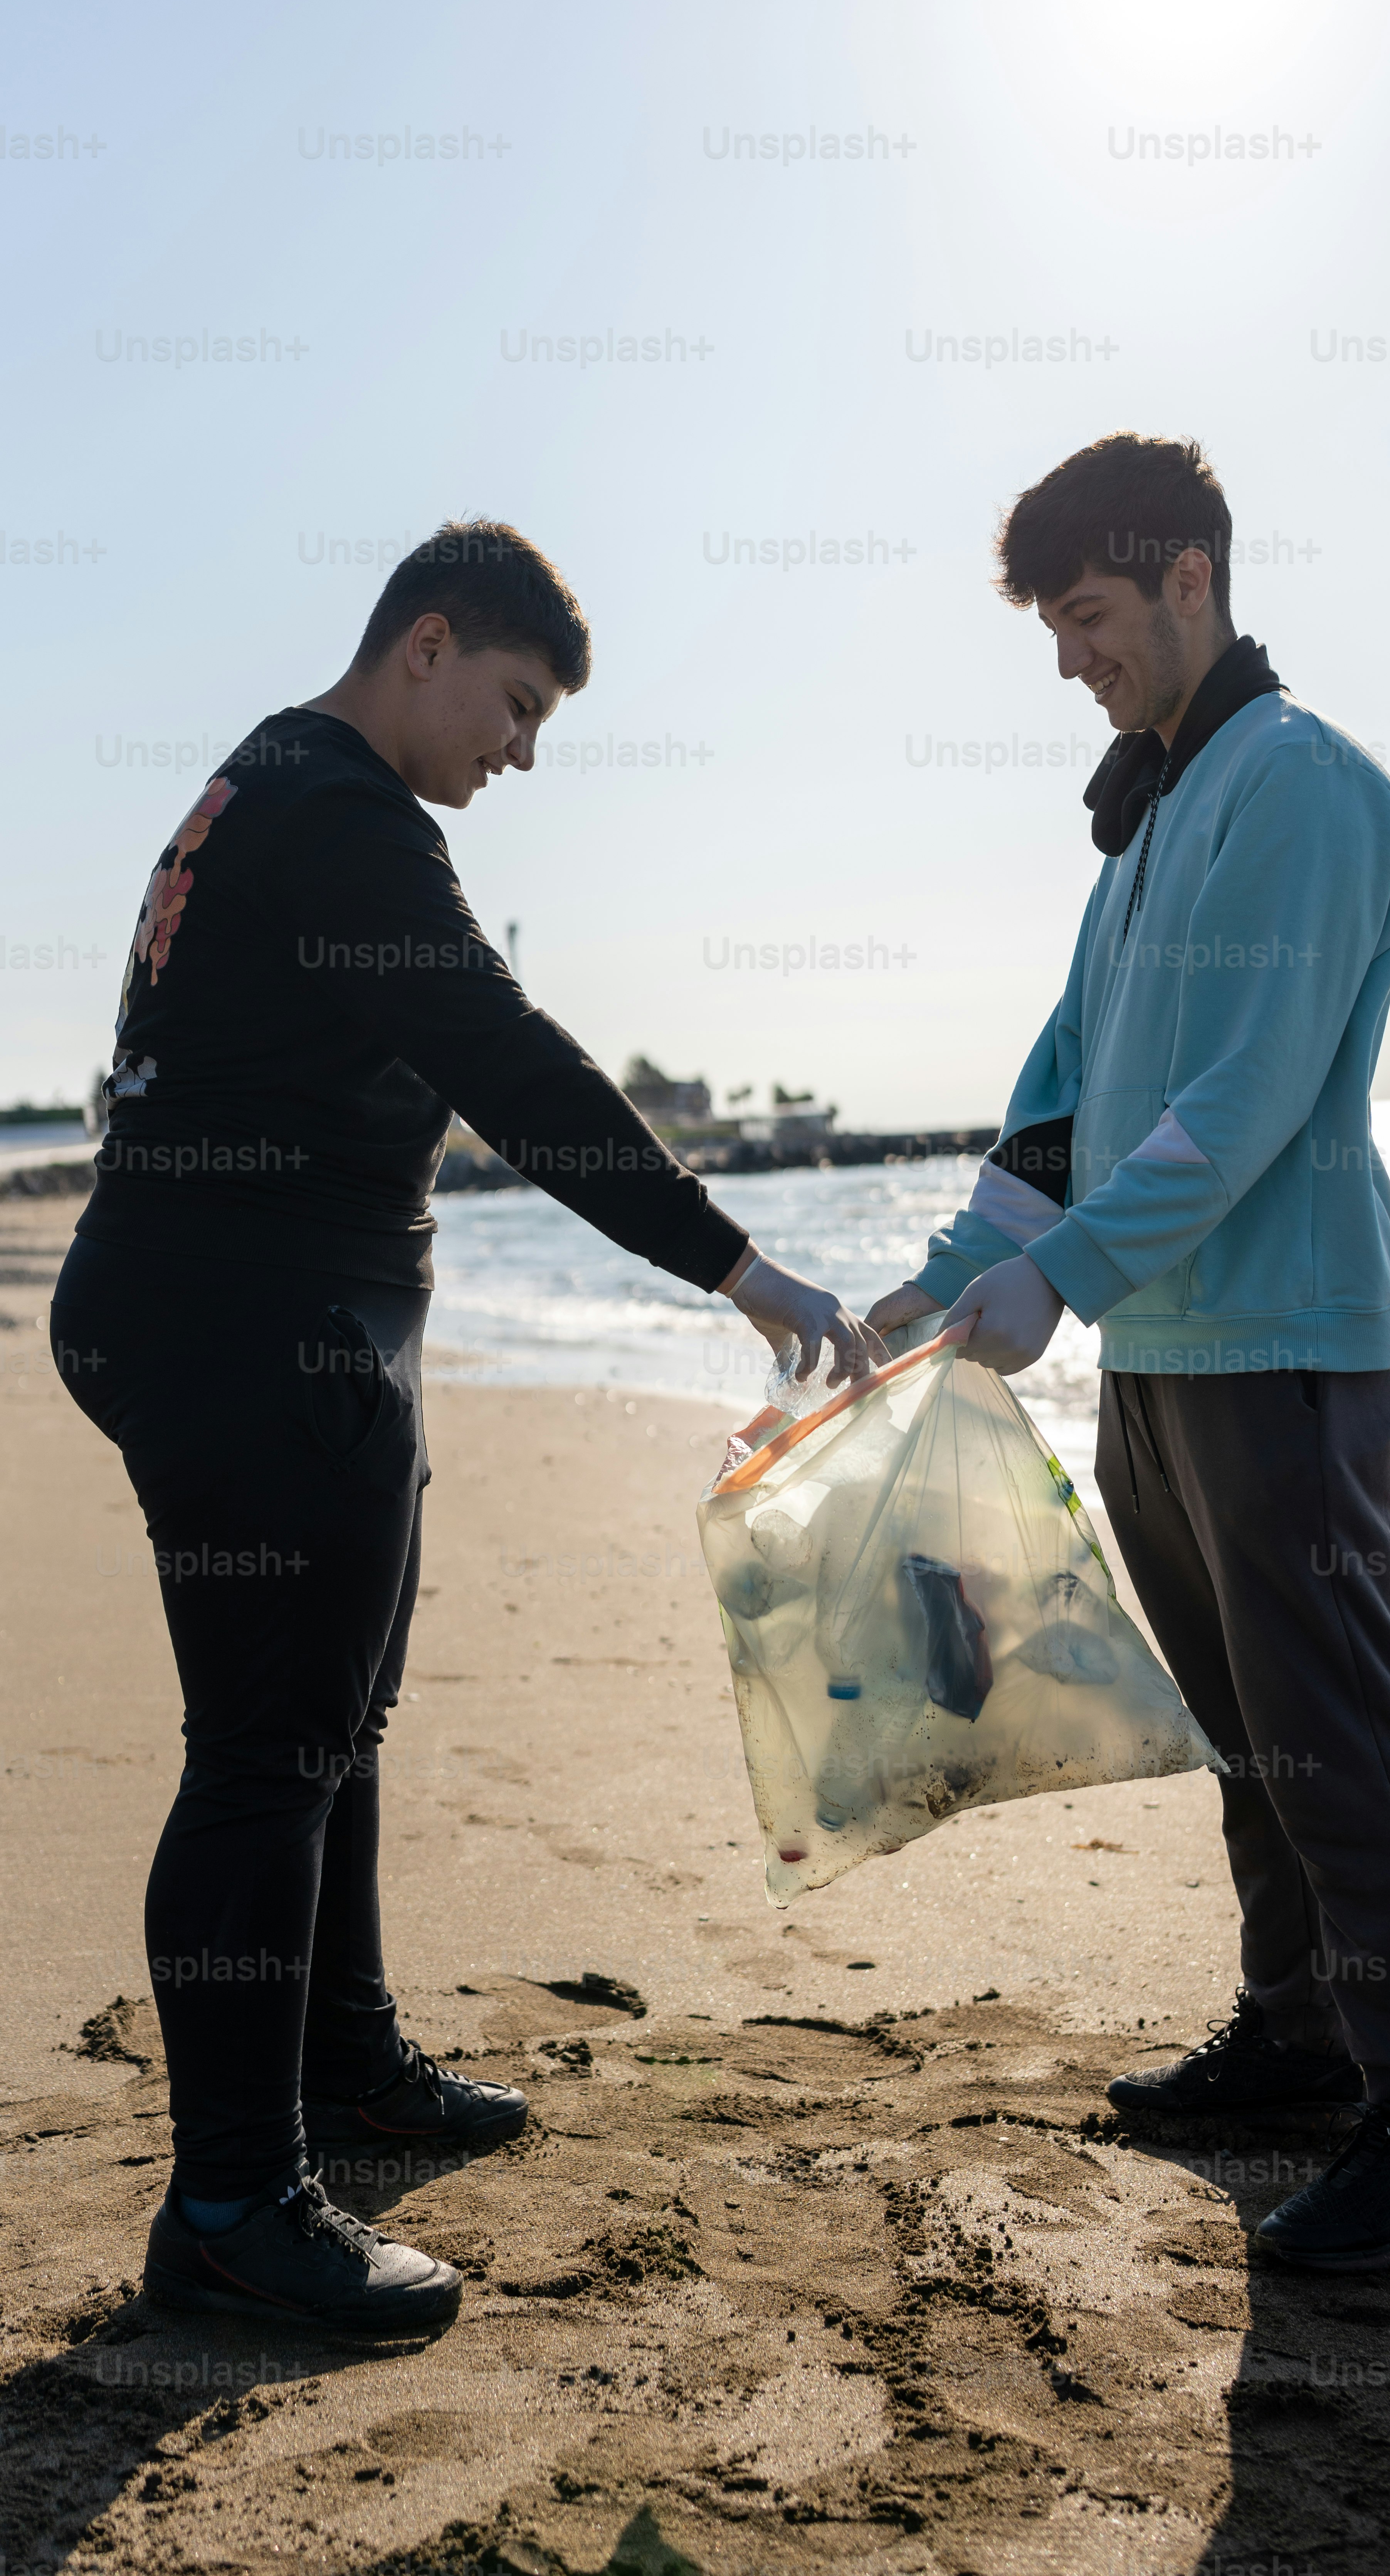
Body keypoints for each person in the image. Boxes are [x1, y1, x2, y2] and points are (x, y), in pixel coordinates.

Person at [53, 520, 880, 2336]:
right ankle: (232, 2205)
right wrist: (737, 1267)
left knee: (336, 1729)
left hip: (271, 1317)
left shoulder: (261, 787)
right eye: (513, 708)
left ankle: (344, 2065)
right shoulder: (339, 819)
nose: (518, 756)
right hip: (253, 1328)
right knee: (268, 1753)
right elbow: (510, 1066)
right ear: (425, 646)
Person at [866, 434, 1390, 2276]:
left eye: (1087, 620)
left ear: (1188, 583)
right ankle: (1300, 2043)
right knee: (1249, 1734)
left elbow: (1246, 1097)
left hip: (1286, 1340)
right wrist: (946, 1277)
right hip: (1160, 1348)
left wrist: (1056, 1280)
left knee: (1340, 1733)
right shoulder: (1147, 816)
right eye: (1056, 633)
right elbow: (1066, 1090)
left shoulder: (1298, 788)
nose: (1076, 663)